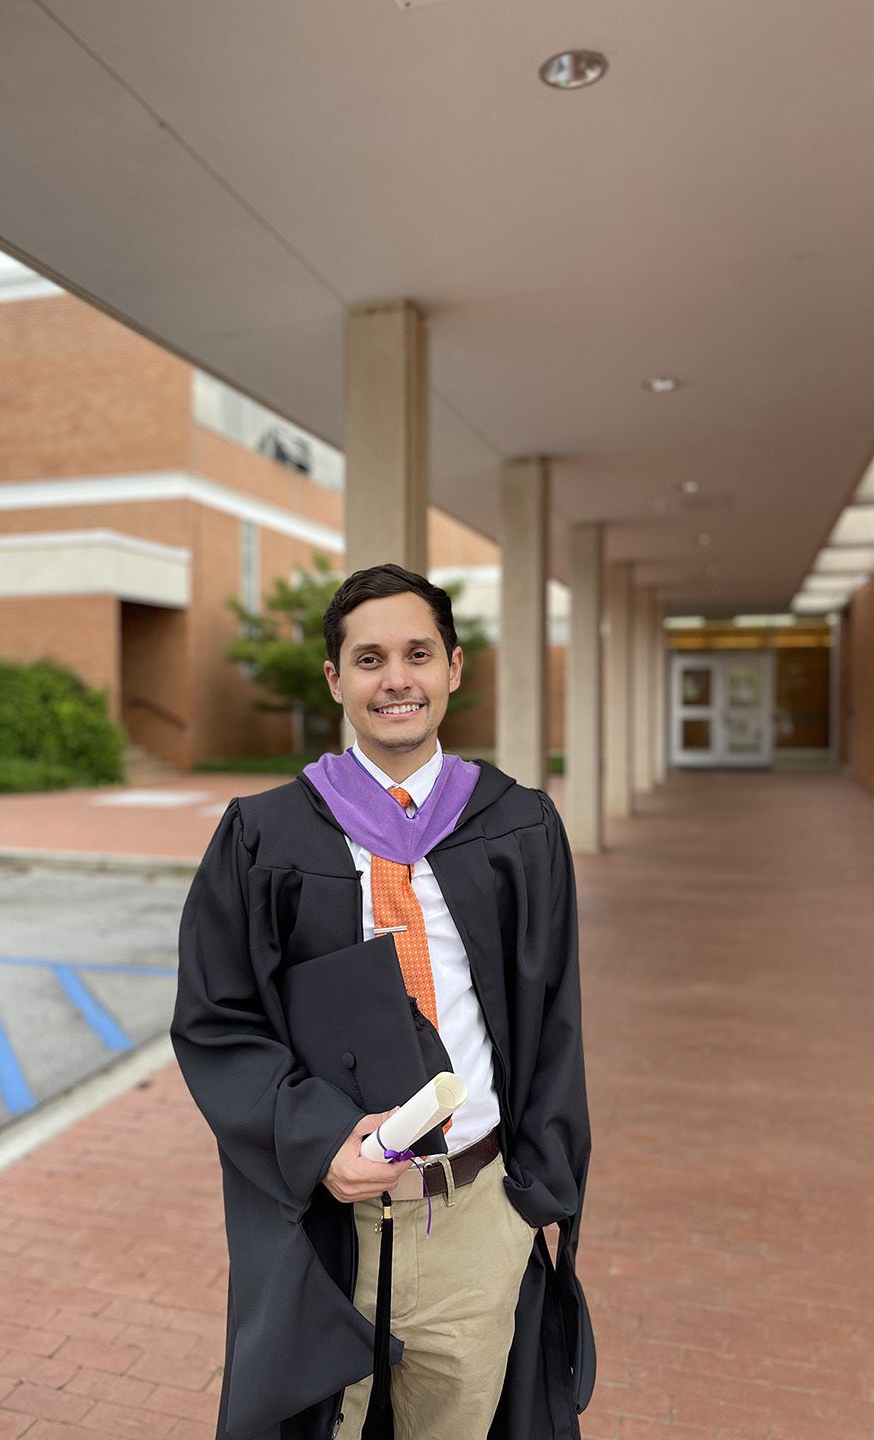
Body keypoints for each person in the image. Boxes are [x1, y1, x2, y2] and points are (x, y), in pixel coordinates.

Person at [172, 564, 595, 1440]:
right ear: (336, 680)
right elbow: (218, 1020)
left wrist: (533, 1199)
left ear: (453, 669)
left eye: (416, 654)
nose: (394, 678)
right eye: (368, 659)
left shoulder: (520, 826)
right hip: (323, 1227)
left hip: (475, 1213)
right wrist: (317, 1139)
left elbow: (554, 1019)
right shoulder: (265, 834)